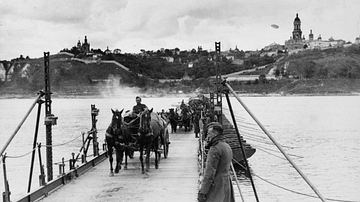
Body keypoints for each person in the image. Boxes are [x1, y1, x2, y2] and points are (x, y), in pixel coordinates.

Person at [198, 122, 235, 202]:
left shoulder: (215, 149)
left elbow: (209, 174)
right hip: (226, 184)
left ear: (215, 134)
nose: (208, 136)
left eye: (209, 133)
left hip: (216, 187)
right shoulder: (226, 146)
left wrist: (202, 192)